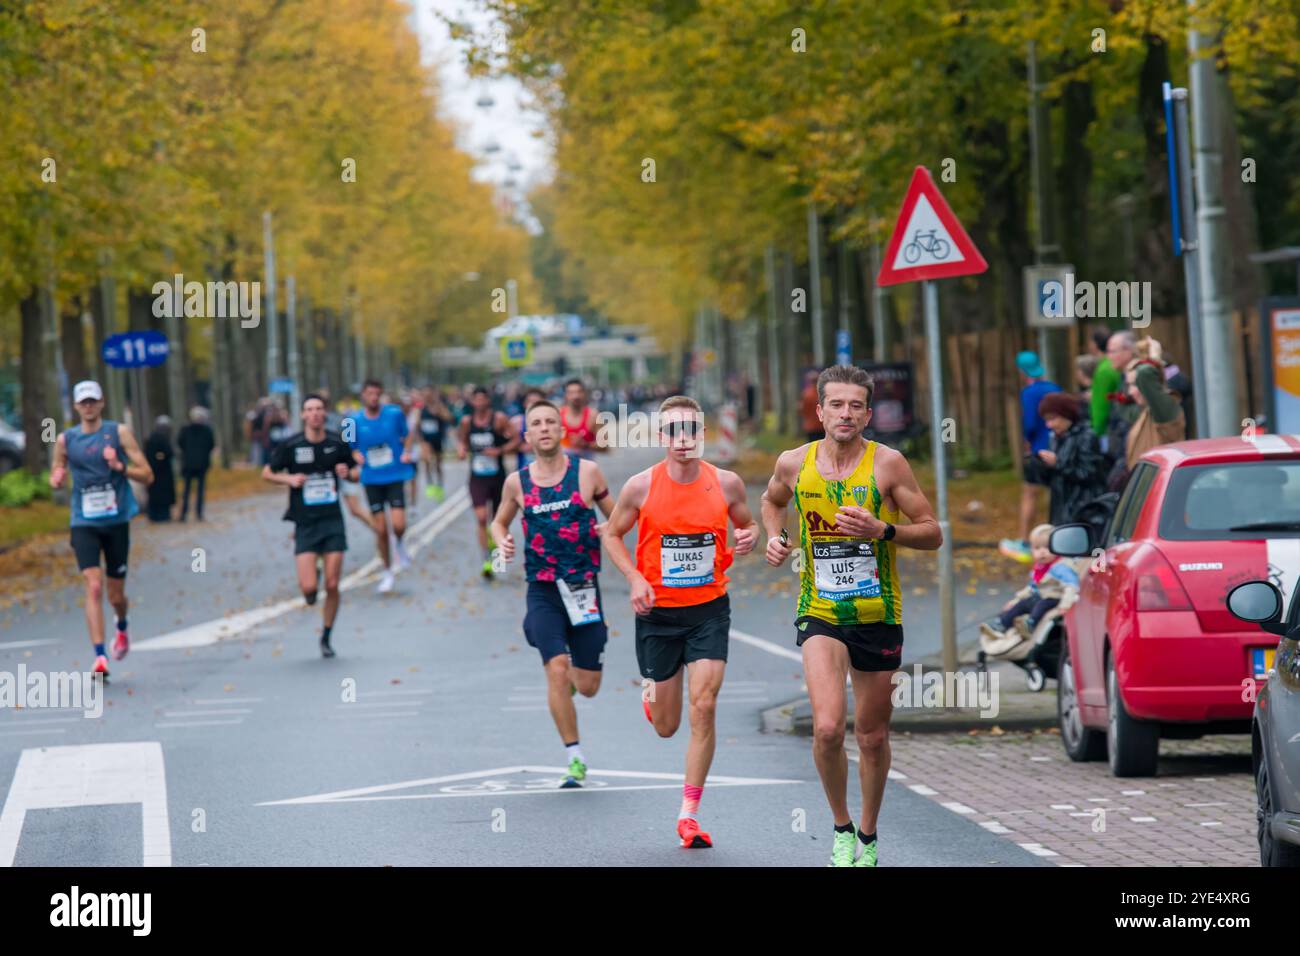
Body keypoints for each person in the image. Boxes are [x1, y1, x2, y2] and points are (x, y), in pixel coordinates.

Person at [760, 365, 942, 866]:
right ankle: (841, 826)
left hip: (878, 612)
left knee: (872, 734)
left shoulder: (889, 465)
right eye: (836, 404)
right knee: (826, 728)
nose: (846, 413)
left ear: (868, 413)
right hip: (819, 610)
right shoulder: (794, 463)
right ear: (819, 411)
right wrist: (776, 538)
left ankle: (868, 833)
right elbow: (772, 501)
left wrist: (883, 530)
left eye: (856, 405)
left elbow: (932, 531)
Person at [603, 396, 759, 848]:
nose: (683, 439)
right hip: (658, 614)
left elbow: (747, 525)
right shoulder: (640, 486)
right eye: (673, 431)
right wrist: (634, 577)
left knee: (704, 706)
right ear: (661, 437)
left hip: (709, 609)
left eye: (691, 429)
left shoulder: (727, 484)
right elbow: (612, 534)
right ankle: (653, 694)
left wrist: (749, 537)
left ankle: (689, 815)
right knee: (666, 725)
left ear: (702, 433)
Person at [490, 400, 615, 788]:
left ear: (561, 430)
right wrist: (503, 543)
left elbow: (620, 516)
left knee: (589, 686)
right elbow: (498, 522)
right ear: (526, 436)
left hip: (582, 586)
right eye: (536, 424)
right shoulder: (517, 482)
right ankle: (574, 757)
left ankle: (574, 669)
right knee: (556, 671)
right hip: (542, 588)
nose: (544, 428)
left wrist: (606, 530)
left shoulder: (588, 472)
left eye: (550, 422)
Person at [49, 380, 153, 677]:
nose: (88, 406)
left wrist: (120, 467)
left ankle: (122, 626)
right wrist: (56, 479)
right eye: (83, 402)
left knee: (115, 596)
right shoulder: (66, 439)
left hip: (116, 521)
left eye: (93, 401)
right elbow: (56, 473)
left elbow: (148, 475)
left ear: (102, 402)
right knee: (93, 586)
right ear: (76, 406)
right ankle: (99, 657)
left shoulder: (118, 432)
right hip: (84, 522)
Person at [264, 394, 359, 658]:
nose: (315, 413)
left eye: (319, 409)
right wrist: (289, 479)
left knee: (332, 584)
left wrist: (347, 473)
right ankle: (311, 581)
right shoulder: (291, 445)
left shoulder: (336, 442)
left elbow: (356, 472)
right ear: (303, 415)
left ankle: (326, 637)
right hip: (304, 522)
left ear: (324, 414)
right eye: (309, 409)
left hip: (332, 520)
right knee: (308, 590)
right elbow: (267, 472)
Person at [345, 379, 417, 594]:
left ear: (381, 395)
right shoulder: (351, 420)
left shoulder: (394, 414)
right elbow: (346, 446)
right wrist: (353, 455)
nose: (374, 398)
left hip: (394, 475)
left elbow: (408, 434)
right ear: (363, 396)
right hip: (371, 479)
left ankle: (401, 543)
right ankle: (388, 571)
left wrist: (406, 451)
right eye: (370, 394)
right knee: (381, 530)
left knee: (398, 525)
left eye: (377, 393)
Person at [999, 351, 1060, 564]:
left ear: (1022, 370)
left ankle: (1025, 542)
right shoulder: (1054, 388)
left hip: (1038, 450)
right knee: (1055, 493)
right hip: (1057, 448)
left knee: (1029, 494)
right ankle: (1057, 540)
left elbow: (1030, 424)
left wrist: (1028, 441)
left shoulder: (1029, 392)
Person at [457, 386, 518, 578]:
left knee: (497, 520)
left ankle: (495, 547)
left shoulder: (498, 419)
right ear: (473, 402)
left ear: (488, 401)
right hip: (477, 476)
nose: (480, 403)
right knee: (481, 517)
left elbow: (516, 439)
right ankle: (486, 560)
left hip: (497, 475)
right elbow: (462, 440)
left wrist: (500, 451)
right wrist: (461, 449)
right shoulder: (467, 421)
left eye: (484, 399)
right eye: (477, 400)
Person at [979, 524, 1080, 641]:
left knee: (1041, 605)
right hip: (1039, 596)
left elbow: (1071, 585)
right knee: (1022, 604)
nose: (1042, 552)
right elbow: (1032, 587)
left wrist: (1065, 604)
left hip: (1053, 597)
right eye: (1037, 548)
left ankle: (1030, 625)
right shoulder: (1039, 568)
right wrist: (1016, 600)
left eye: (1047, 548)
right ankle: (1001, 624)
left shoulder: (1060, 567)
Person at [1031, 391, 1107, 525]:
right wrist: (1040, 465)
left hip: (1083, 512)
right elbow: (1052, 480)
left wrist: (1057, 463)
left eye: (1053, 419)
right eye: (1046, 420)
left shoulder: (1086, 436)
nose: (1049, 425)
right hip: (1060, 510)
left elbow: (1089, 474)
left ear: (1067, 415)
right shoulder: (1056, 438)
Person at [1120, 339, 1186, 483]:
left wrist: (1155, 357)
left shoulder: (1166, 410)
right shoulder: (1144, 413)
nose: (1130, 392)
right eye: (1128, 385)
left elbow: (1144, 374)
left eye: (1135, 385)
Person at [177, 406, 216, 522]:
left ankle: (184, 513)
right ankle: (198, 513)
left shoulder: (185, 430)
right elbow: (211, 445)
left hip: (189, 463)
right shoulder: (207, 430)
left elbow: (180, 443)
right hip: (201, 463)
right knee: (199, 489)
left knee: (187, 489)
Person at [1086, 324, 1121, 441]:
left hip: (1106, 431)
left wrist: (1097, 430)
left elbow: (1101, 404)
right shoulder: (1112, 364)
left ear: (1095, 345)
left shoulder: (1104, 370)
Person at [418, 386, 452, 502]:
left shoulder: (439, 406)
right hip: (426, 440)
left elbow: (449, 417)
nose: (427, 397)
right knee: (426, 461)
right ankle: (430, 484)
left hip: (437, 439)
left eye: (429, 395)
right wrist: (420, 440)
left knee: (438, 464)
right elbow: (417, 424)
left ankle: (440, 485)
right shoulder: (421, 408)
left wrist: (439, 412)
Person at [143, 416, 176, 522]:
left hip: (155, 471)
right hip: (162, 472)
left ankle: (155, 514)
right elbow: (167, 453)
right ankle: (161, 515)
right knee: (161, 495)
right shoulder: (160, 439)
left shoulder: (152, 438)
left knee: (156, 494)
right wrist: (160, 458)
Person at [559, 379, 601, 459]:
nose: (576, 396)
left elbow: (604, 446)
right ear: (566, 395)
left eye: (579, 392)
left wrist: (585, 444)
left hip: (587, 466)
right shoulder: (558, 415)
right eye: (571, 393)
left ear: (585, 394)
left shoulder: (594, 415)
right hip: (563, 467)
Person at [512, 387, 546, 471]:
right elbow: (507, 446)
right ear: (524, 404)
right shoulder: (517, 422)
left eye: (538, 402)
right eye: (530, 401)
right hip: (524, 468)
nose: (534, 405)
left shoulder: (551, 423)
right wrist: (517, 446)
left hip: (547, 469)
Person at [799, 370, 823, 443]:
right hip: (822, 425)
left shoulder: (806, 394)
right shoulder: (823, 393)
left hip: (811, 426)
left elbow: (802, 410)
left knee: (812, 447)